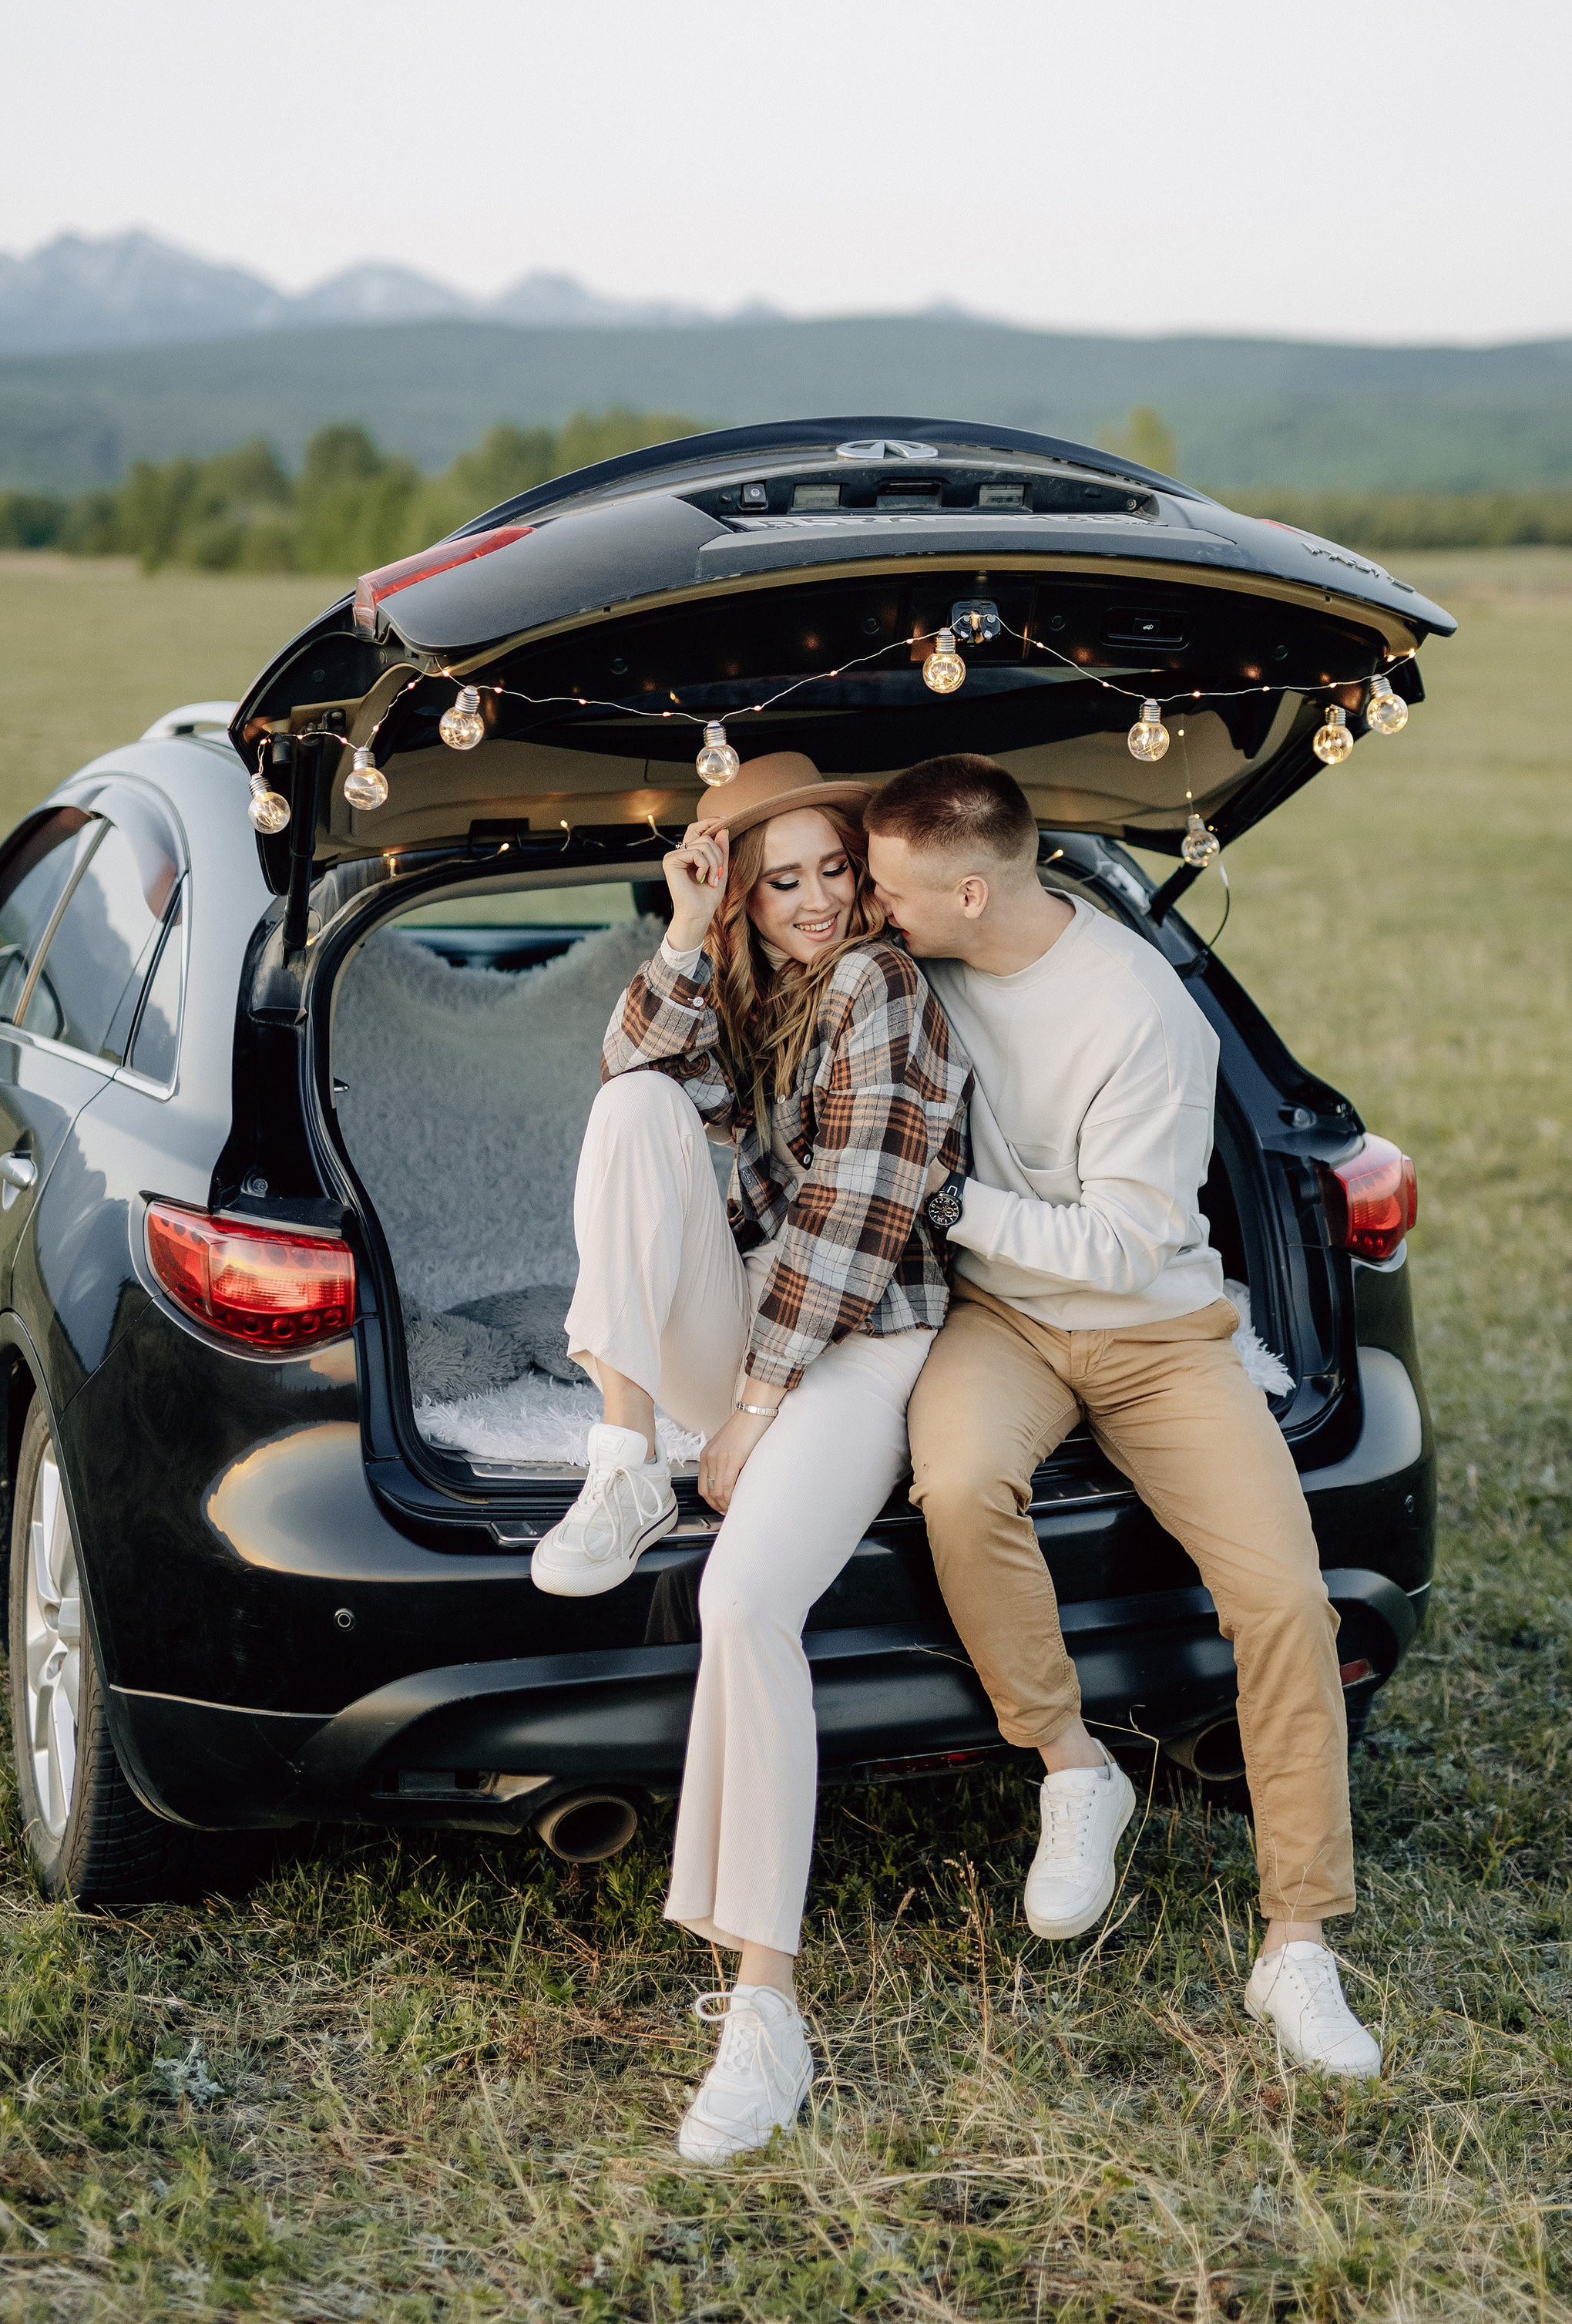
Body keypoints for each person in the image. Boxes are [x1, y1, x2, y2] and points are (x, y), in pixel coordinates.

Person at [865, 754, 1382, 2080]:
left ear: (971, 890)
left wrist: (947, 1204)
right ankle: (1072, 1765)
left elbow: (1125, 1243)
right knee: (963, 1485)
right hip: (1004, 1324)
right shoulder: (921, 962)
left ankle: (1299, 1948)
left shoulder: (1142, 1015)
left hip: (1154, 1331)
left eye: (896, 888)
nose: (877, 908)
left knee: (1283, 1600)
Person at [534, 752, 970, 2158]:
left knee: (742, 1604)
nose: (820, 902)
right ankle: (620, 1458)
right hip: (771, 1334)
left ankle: (764, 2012)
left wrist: (753, 1409)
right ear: (743, 890)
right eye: (782, 881)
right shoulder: (756, 992)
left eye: (836, 869)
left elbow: (853, 1223)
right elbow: (633, 1069)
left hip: (868, 1342)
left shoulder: (883, 990)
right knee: (631, 1106)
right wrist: (677, 930)